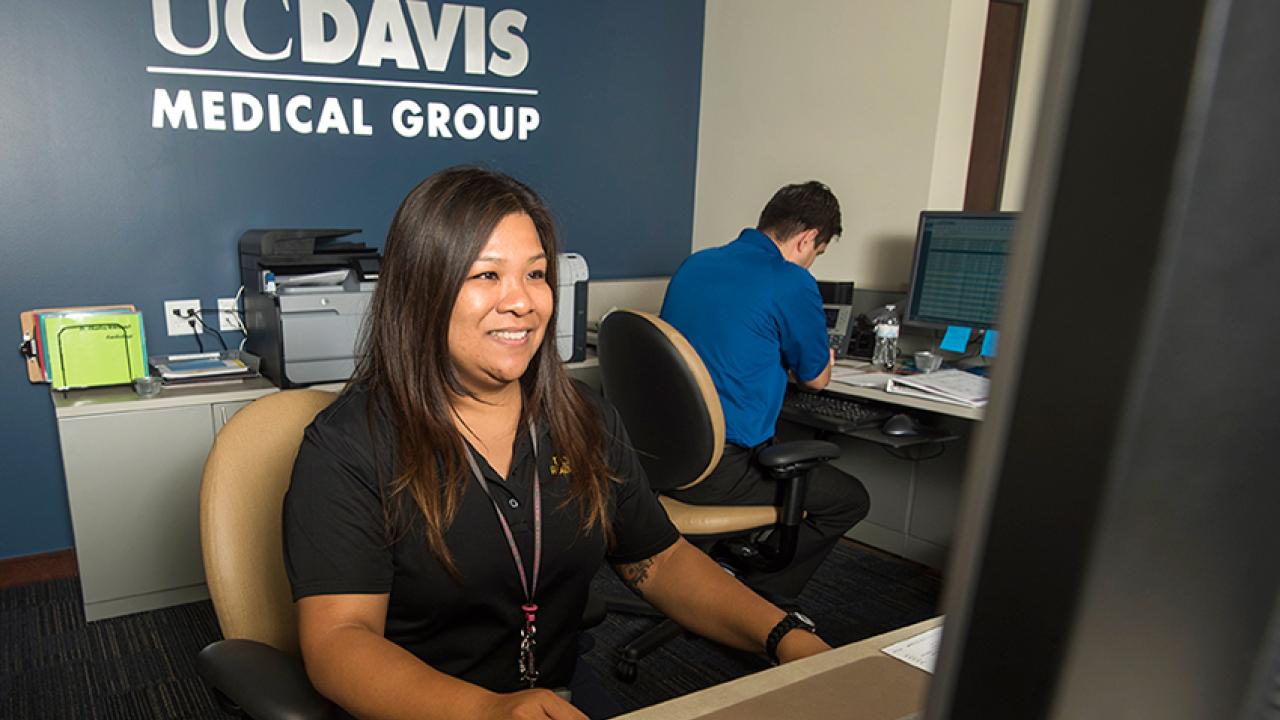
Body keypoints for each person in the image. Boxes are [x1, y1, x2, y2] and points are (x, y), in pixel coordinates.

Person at [282, 166, 832, 720]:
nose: (523, 302)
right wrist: (489, 712)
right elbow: (339, 642)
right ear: (421, 290)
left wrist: (785, 634)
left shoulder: (584, 419)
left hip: (554, 694)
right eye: (487, 275)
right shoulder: (350, 447)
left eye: (537, 274)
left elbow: (659, 560)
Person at [659, 180, 871, 601]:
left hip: (664, 460)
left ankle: (724, 564)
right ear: (808, 238)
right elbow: (816, 379)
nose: (811, 263)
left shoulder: (696, 265)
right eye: (817, 253)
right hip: (719, 471)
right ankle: (759, 600)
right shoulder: (791, 281)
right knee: (851, 499)